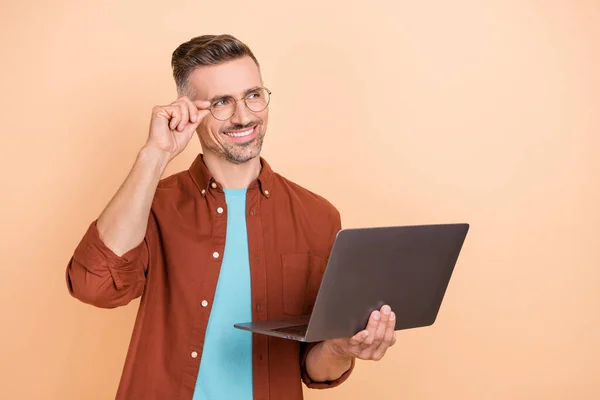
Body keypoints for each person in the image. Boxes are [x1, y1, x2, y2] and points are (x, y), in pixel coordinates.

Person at [65, 34, 396, 400]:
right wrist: (154, 155)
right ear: (188, 110)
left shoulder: (319, 217)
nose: (243, 116)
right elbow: (94, 287)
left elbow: (312, 369)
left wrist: (340, 349)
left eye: (253, 95)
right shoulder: (152, 205)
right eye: (222, 102)